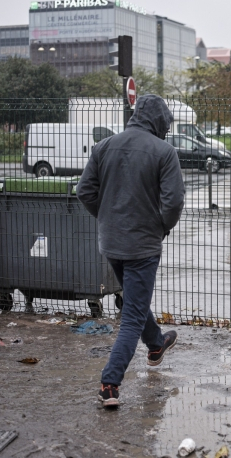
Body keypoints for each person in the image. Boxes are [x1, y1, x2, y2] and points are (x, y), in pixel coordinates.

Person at [77, 94, 185, 408]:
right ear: (162, 122)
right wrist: (162, 226)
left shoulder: (104, 146)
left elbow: (85, 191)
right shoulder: (164, 152)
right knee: (133, 316)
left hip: (111, 243)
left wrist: (107, 216)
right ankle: (109, 384)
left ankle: (156, 344)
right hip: (143, 245)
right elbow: (174, 201)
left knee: (134, 299)